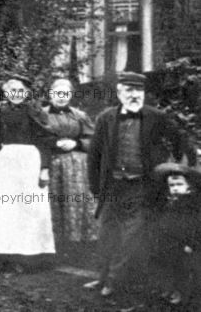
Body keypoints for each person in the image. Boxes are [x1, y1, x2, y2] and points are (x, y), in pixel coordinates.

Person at [85, 72, 197, 297]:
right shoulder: (105, 118)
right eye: (128, 90)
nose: (134, 95)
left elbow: (180, 139)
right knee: (108, 232)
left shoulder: (156, 116)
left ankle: (114, 282)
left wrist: (181, 168)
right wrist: (95, 186)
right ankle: (102, 277)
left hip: (143, 186)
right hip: (113, 186)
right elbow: (94, 154)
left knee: (131, 236)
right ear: (119, 93)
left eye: (138, 91)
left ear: (143, 94)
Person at [0, 74, 56, 272]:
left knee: (28, 210)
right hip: (5, 164)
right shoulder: (0, 112)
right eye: (12, 91)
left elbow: (45, 141)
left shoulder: (34, 112)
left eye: (20, 91)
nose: (16, 95)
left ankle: (27, 259)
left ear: (27, 93)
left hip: (30, 162)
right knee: (3, 209)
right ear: (6, 93)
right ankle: (0, 257)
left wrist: (44, 169)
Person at [44, 78, 98, 243]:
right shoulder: (41, 114)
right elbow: (36, 138)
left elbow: (94, 139)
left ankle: (79, 242)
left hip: (76, 168)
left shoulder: (80, 116)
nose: (61, 97)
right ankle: (54, 242)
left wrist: (76, 143)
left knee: (76, 201)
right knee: (53, 201)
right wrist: (54, 143)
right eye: (58, 93)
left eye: (65, 94)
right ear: (51, 94)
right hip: (51, 163)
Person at [150, 162, 201, 306]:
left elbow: (196, 226)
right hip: (169, 241)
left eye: (179, 184)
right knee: (168, 266)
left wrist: (191, 243)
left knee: (183, 269)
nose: (175, 188)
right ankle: (170, 289)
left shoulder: (192, 203)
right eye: (172, 186)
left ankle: (182, 293)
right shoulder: (171, 201)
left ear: (189, 186)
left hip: (184, 242)